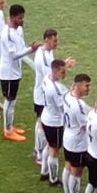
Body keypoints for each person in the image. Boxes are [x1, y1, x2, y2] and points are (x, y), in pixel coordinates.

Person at [0, 5, 41, 142]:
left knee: (13, 100)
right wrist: (31, 49)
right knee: (10, 100)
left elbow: (21, 48)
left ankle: (10, 126)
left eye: (22, 17)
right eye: (19, 18)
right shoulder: (7, 34)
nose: (22, 20)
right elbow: (13, 55)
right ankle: (7, 130)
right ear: (12, 18)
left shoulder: (19, 30)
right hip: (8, 72)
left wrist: (29, 48)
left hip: (15, 71)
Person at [39, 59, 76, 188]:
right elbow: (64, 106)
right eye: (62, 71)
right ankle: (53, 179)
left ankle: (44, 172)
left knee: (49, 146)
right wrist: (72, 92)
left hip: (46, 117)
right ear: (55, 71)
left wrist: (65, 65)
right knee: (54, 151)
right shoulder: (56, 89)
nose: (65, 74)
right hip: (55, 123)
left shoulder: (47, 78)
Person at [62, 74, 92, 193]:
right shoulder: (78, 105)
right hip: (78, 143)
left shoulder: (67, 96)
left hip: (67, 137)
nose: (88, 89)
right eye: (86, 85)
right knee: (76, 172)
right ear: (78, 85)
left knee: (68, 166)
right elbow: (86, 126)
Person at [32, 29, 59, 170]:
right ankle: (38, 152)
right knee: (42, 124)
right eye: (54, 40)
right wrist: (64, 66)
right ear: (47, 40)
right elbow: (50, 76)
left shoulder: (48, 52)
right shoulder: (43, 56)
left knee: (40, 122)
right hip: (42, 95)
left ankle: (38, 149)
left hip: (42, 93)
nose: (57, 43)